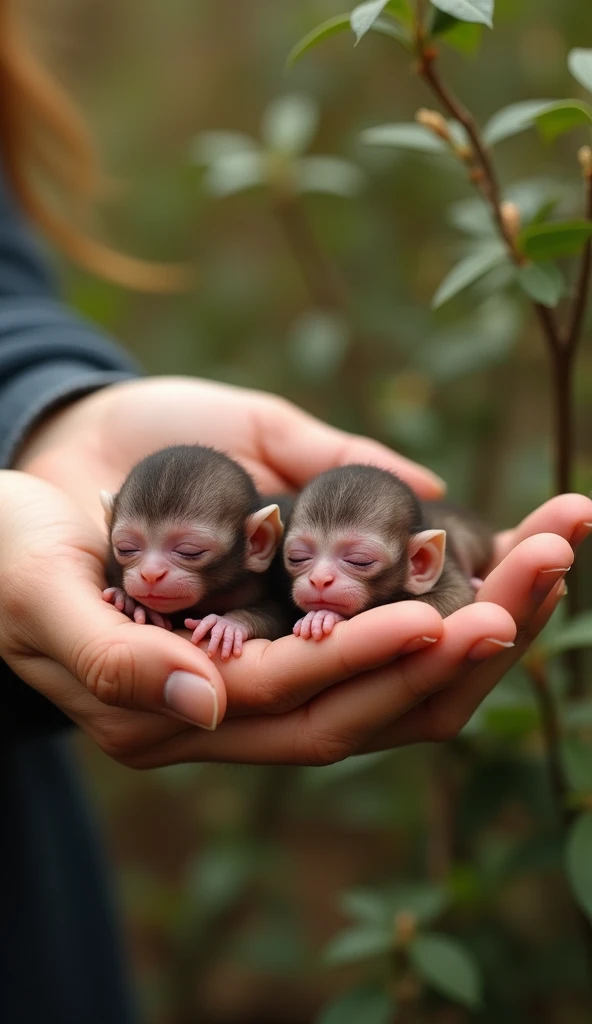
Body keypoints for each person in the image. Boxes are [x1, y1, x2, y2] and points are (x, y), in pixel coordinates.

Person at [1, 5, 591, 1022]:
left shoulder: (280, 564)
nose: (141, 577)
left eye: (179, 553)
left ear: (254, 543)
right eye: (131, 552)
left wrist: (41, 406)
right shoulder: (241, 568)